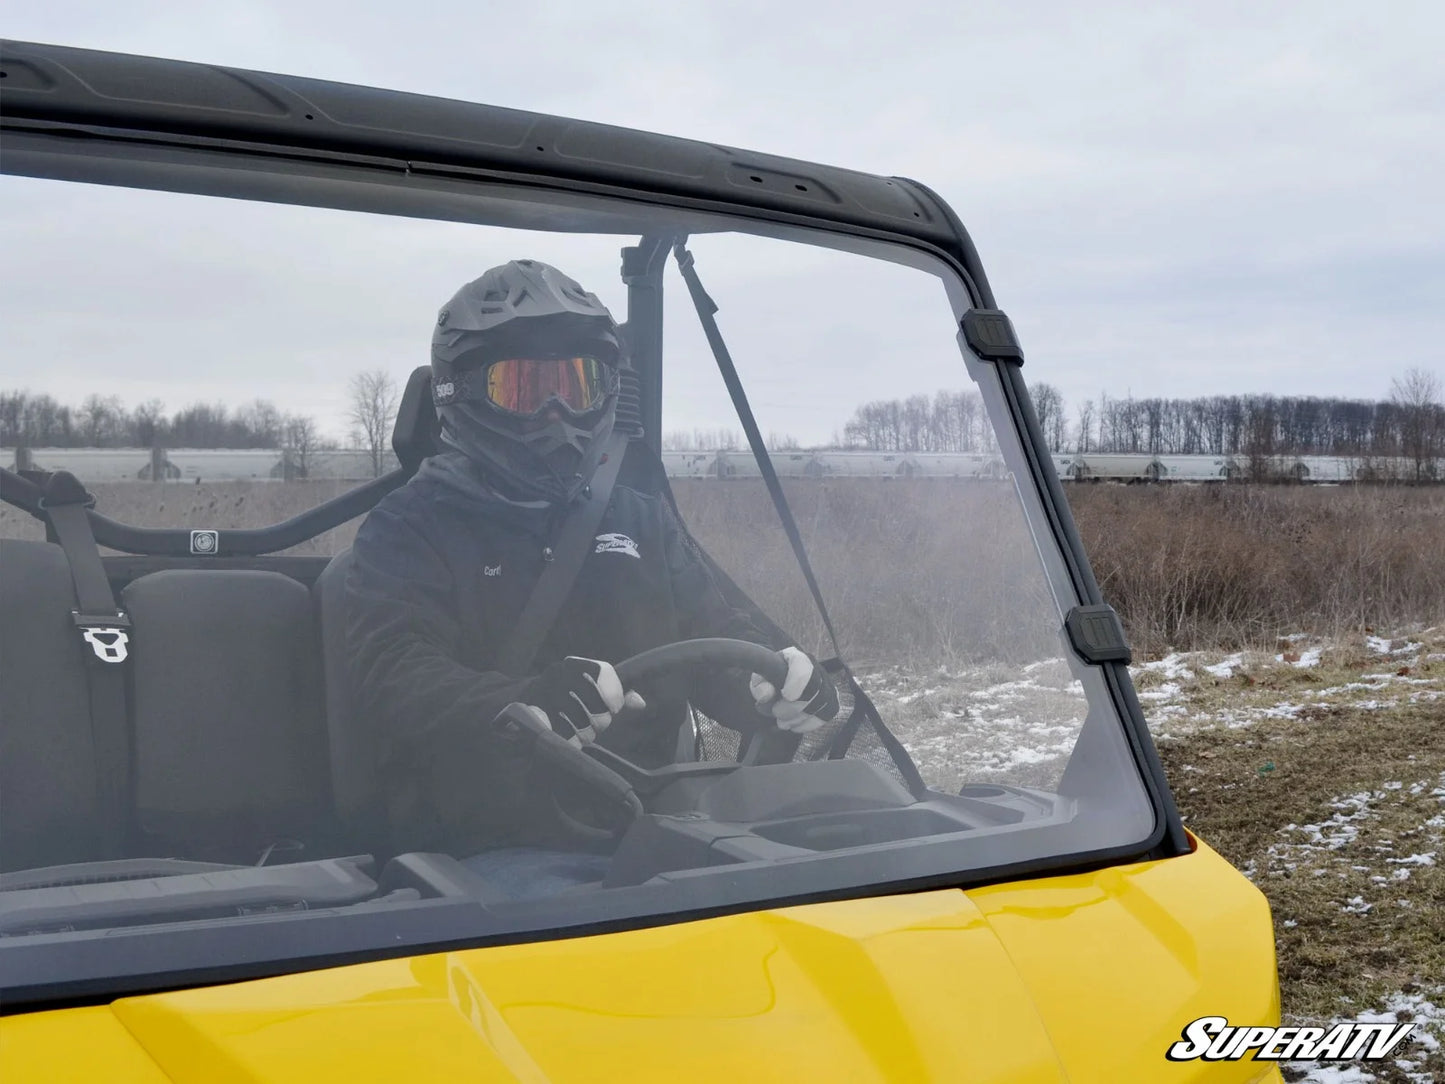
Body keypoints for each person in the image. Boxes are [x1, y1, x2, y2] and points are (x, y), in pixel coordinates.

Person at [344, 259, 838, 896]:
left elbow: (717, 633)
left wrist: (773, 684)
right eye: (524, 389)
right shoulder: (409, 527)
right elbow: (391, 673)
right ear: (458, 394)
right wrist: (519, 706)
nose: (555, 414)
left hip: (662, 826)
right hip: (491, 844)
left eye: (576, 386)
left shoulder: (639, 520)